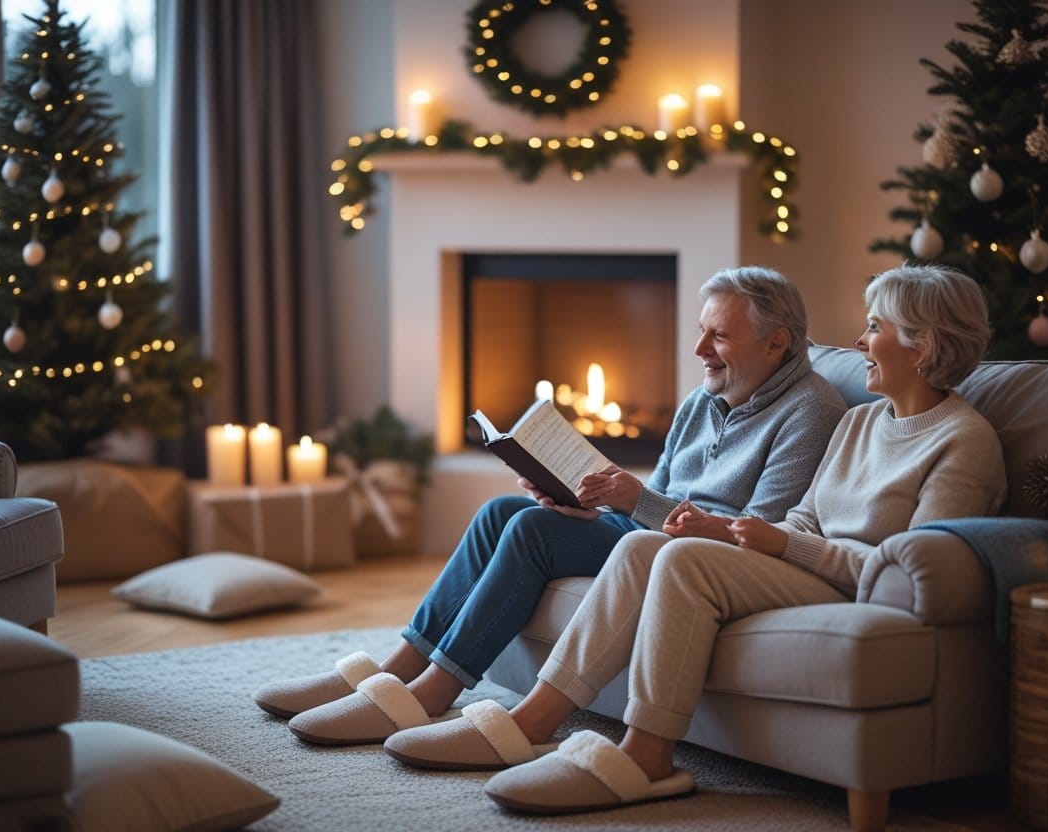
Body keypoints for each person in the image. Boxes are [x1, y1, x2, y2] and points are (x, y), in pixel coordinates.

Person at [381, 263, 1008, 815]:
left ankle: (646, 755)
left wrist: (779, 543)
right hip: (794, 559)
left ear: (922, 346)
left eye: (875, 327)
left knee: (678, 560)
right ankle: (530, 720)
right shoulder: (865, 421)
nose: (858, 341)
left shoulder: (963, 440)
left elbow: (908, 567)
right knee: (634, 546)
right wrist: (764, 536)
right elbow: (804, 519)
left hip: (846, 583)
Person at [253, 266, 847, 747]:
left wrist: (633, 499)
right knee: (501, 515)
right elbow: (663, 485)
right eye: (701, 331)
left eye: (717, 336)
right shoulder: (705, 397)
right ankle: (393, 670)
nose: (699, 349)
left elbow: (756, 531)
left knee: (534, 533)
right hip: (647, 528)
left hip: (691, 552)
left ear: (777, 343)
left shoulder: (809, 410)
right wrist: (585, 504)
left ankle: (433, 693)